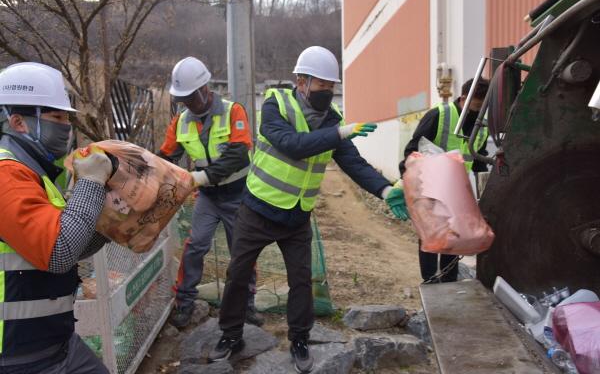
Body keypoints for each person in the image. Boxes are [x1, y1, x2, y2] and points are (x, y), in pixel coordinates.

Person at [208, 46, 406, 373]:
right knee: (238, 274)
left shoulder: (331, 120)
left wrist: (384, 189)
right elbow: (292, 145)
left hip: (296, 217)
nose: (327, 93)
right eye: (321, 86)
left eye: (331, 87)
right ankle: (231, 335)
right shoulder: (275, 105)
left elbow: (353, 163)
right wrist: (340, 133)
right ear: (301, 81)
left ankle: (300, 339)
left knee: (301, 280)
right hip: (257, 209)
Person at [0, 62, 114, 373]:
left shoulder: (34, 174)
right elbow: (59, 252)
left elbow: (72, 243)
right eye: (58, 117)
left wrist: (110, 223)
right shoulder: (5, 176)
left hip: (56, 344)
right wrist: (91, 184)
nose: (67, 126)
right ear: (19, 122)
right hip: (17, 358)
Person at [158, 57, 263, 328]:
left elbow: (239, 155)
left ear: (205, 89)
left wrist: (201, 177)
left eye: (190, 98)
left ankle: (247, 304)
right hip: (207, 197)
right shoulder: (181, 122)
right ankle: (185, 302)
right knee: (196, 246)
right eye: (183, 100)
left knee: (241, 251)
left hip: (238, 194)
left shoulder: (233, 111)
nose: (187, 104)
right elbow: (166, 158)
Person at [399, 78, 490, 283]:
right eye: (477, 105)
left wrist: (483, 192)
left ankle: (449, 280)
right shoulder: (439, 115)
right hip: (430, 187)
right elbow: (412, 150)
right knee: (431, 236)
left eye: (484, 106)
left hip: (457, 191)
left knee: (453, 235)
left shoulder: (481, 124)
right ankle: (430, 282)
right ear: (464, 98)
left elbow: (478, 158)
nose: (479, 111)